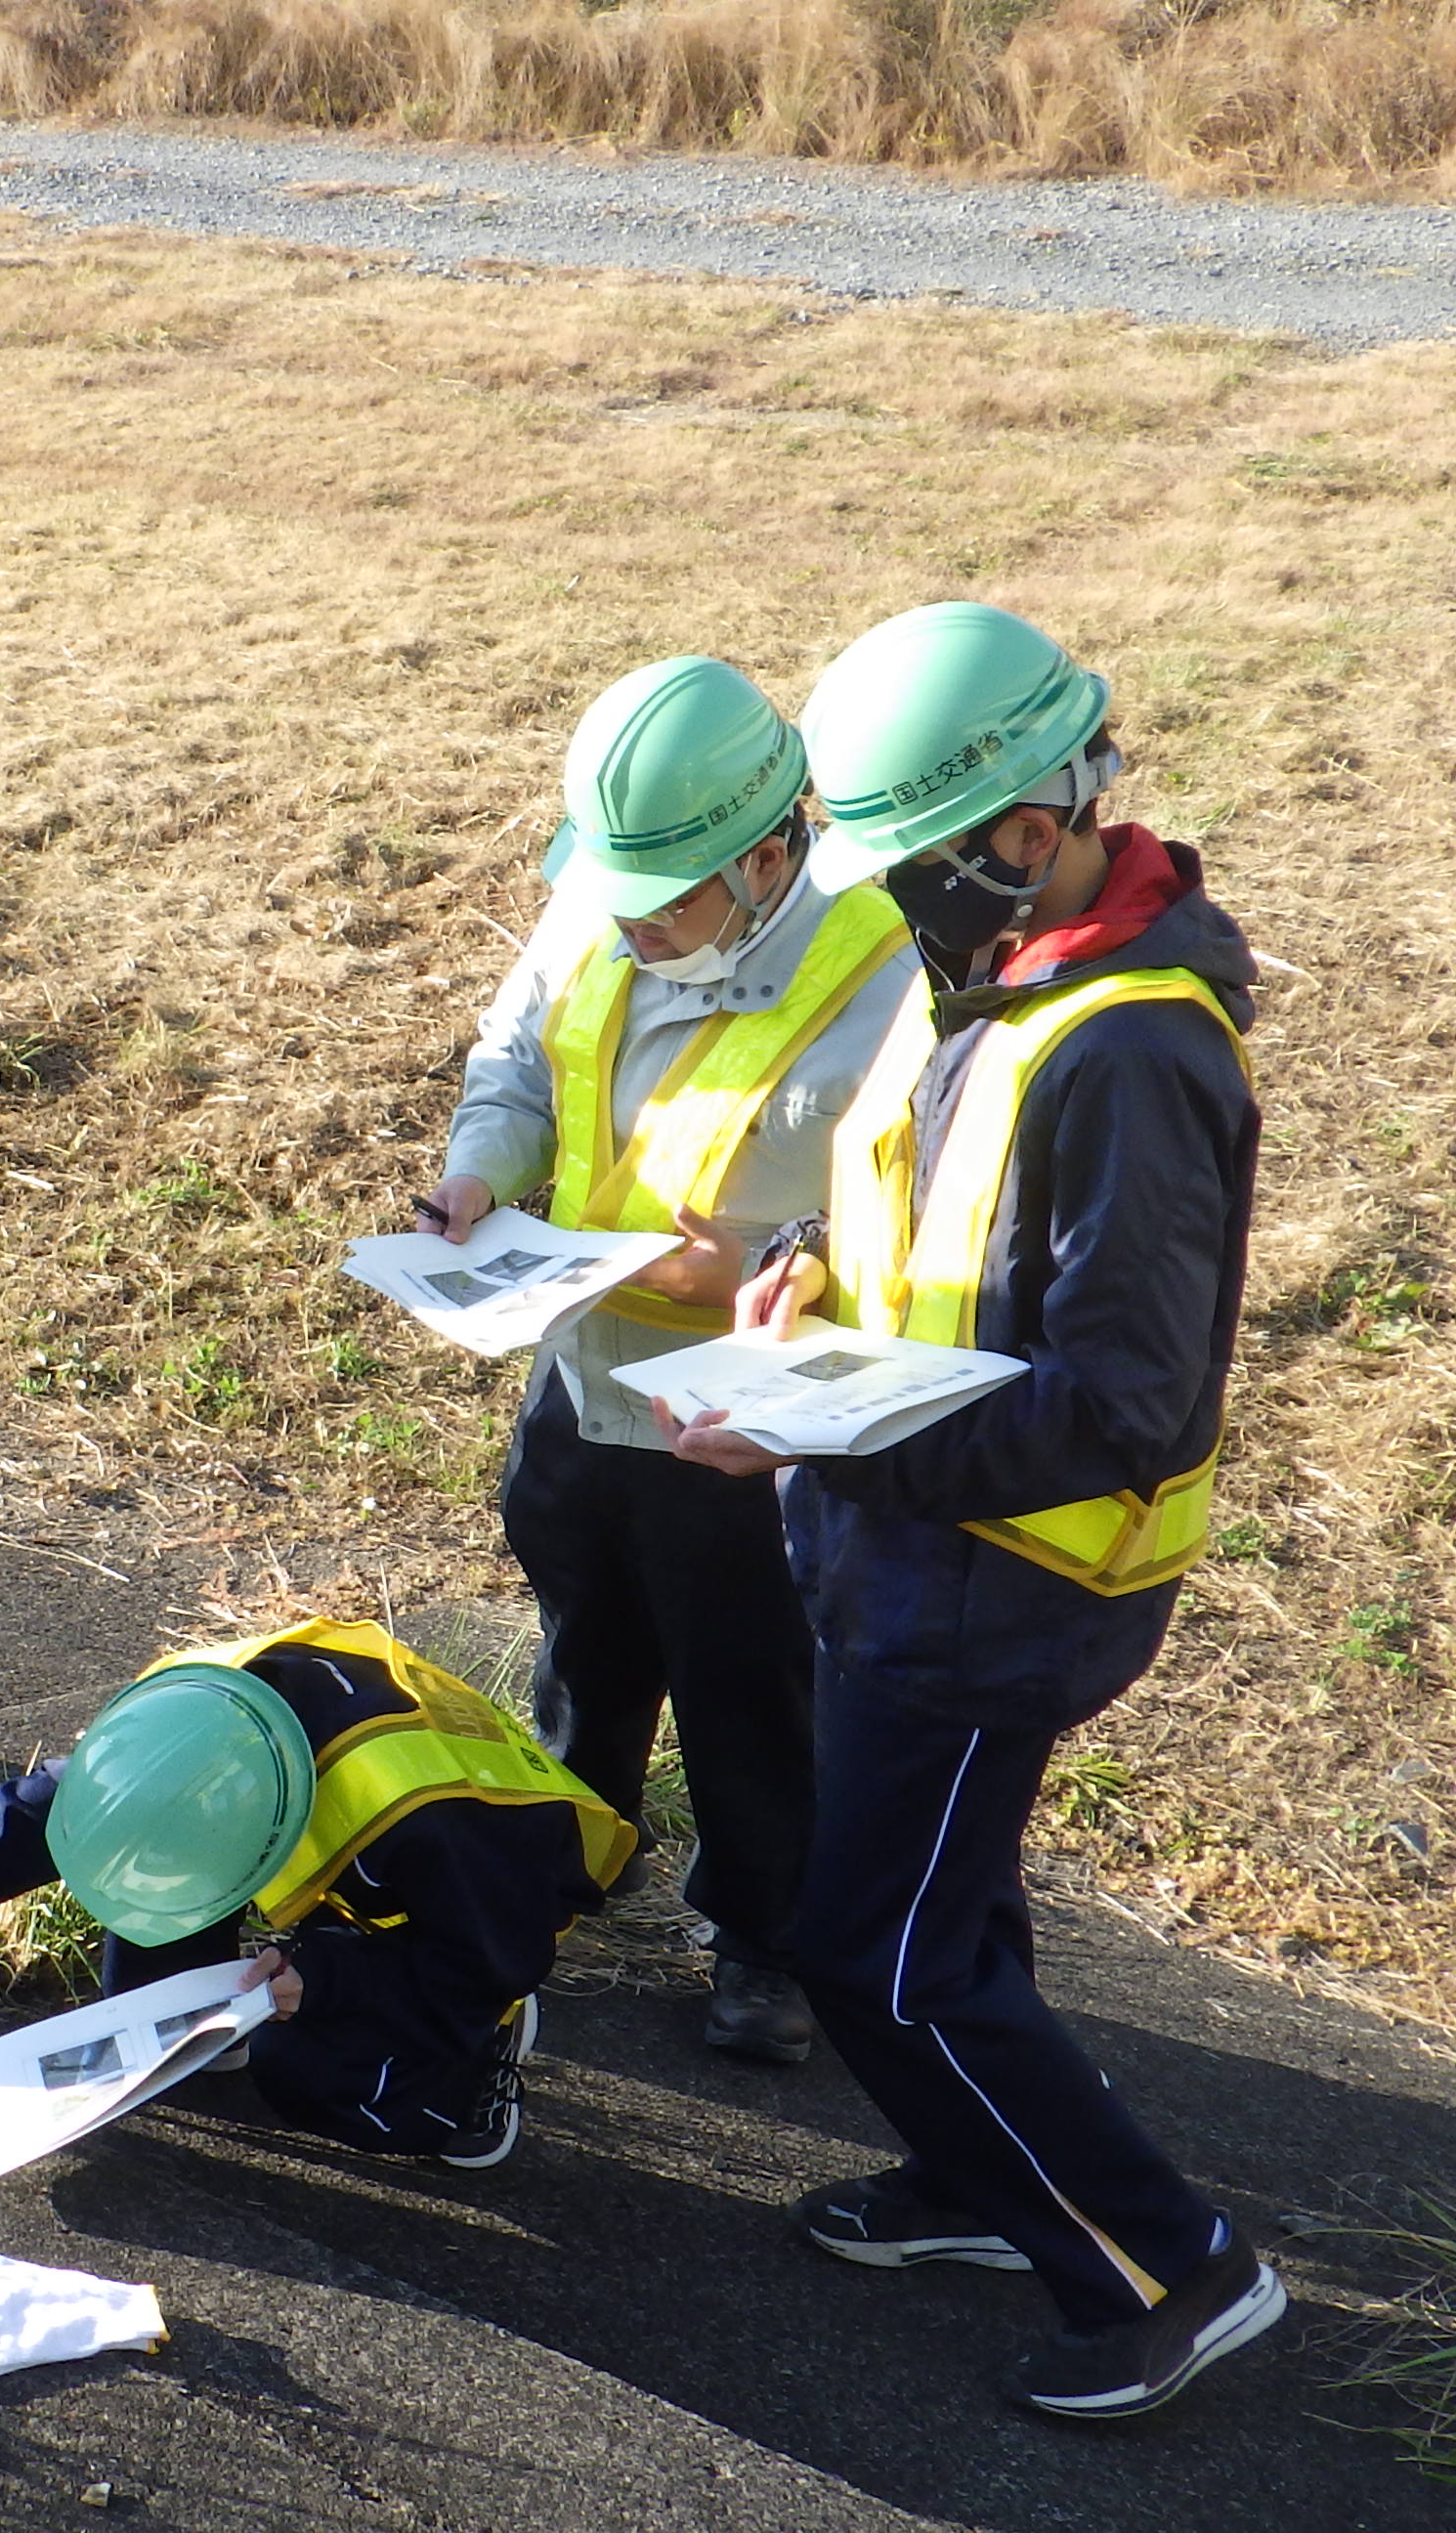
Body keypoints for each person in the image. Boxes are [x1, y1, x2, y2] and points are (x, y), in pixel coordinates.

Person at [662, 600, 1277, 2420]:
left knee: (885, 1954)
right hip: (896, 1559)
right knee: (947, 1908)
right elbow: (932, 1221)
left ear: (1027, 825)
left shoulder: (1133, 1054)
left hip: (999, 1588)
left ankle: (1175, 2268)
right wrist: (791, 1275)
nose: (888, 905)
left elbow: (1118, 1403)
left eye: (911, 867)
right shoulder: (996, 975)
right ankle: (972, 2178)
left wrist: (820, 1437)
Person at [420, 657, 914, 2068]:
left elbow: (921, 1199)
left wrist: (773, 1265)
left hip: (745, 1416)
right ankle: (580, 1849)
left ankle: (766, 1943)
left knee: (752, 1687)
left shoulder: (884, 967)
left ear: (769, 856)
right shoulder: (607, 900)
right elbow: (515, 1060)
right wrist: (473, 1179)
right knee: (588, 1637)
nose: (634, 930)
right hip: (582, 1368)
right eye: (617, 897)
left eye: (670, 905)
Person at [0, 1619, 633, 2170]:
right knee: (152, 2025)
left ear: (256, 1829)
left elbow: (496, 1952)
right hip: (368, 1841)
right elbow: (74, 1805)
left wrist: (330, 1978)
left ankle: (474, 2067)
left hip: (496, 1894)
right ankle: (285, 1994)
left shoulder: (433, 1828)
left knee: (315, 2075)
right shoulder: (194, 1708)